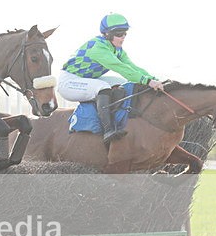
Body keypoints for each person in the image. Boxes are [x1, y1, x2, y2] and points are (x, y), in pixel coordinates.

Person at [58, 13, 164, 143]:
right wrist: (147, 81)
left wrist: (154, 79)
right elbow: (122, 68)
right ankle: (108, 129)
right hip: (69, 82)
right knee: (103, 87)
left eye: (125, 33)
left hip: (88, 79)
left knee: (125, 83)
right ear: (107, 34)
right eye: (119, 33)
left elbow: (132, 67)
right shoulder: (98, 48)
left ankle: (121, 118)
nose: (123, 37)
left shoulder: (117, 49)